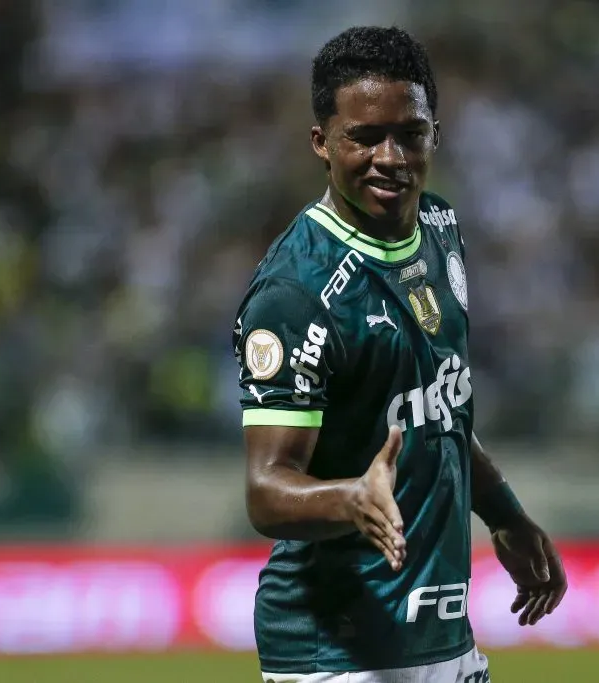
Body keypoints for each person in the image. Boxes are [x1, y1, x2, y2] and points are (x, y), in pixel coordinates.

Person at [232, 25, 567, 683]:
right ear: (321, 143)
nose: (390, 157)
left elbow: (438, 416)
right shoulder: (297, 293)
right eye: (364, 137)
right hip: (336, 652)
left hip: (440, 636)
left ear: (434, 135)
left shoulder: (440, 231)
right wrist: (349, 496)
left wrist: (506, 515)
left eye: (409, 134)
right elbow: (266, 488)